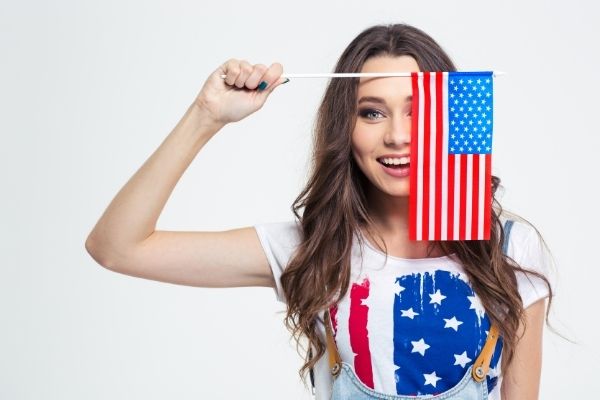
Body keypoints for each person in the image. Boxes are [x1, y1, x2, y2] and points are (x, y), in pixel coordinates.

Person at [85, 23, 555, 400]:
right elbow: (117, 248)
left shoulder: (510, 251)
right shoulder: (312, 249)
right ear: (344, 128)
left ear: (449, 117)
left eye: (416, 111)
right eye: (371, 112)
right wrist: (205, 116)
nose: (396, 135)